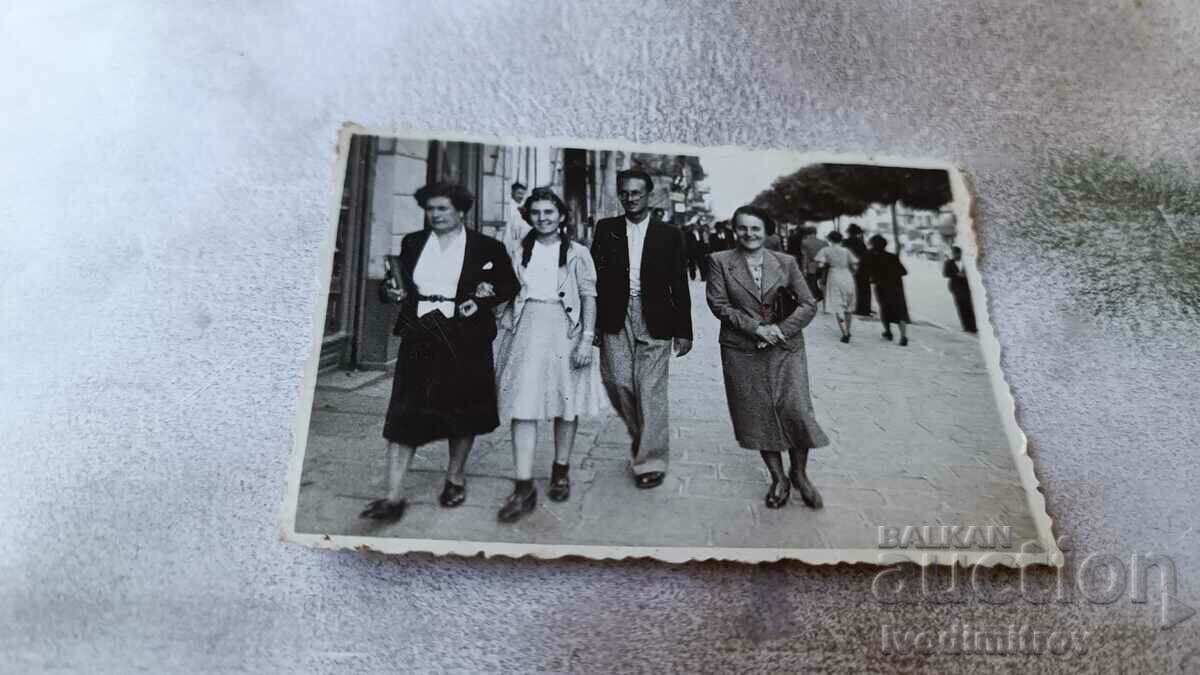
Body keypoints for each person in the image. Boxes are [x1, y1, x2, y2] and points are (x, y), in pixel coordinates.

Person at [361, 183, 519, 522]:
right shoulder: (413, 243)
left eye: (442, 209)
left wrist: (480, 300)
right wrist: (389, 292)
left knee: (462, 411)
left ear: (460, 211)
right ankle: (392, 497)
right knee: (404, 413)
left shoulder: (485, 246)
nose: (435, 215)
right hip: (420, 332)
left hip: (464, 335)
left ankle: (454, 478)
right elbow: (396, 284)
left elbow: (509, 284)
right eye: (430, 209)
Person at [706, 206, 828, 509]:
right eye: (743, 228)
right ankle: (778, 478)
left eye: (755, 228)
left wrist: (779, 331)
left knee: (796, 410)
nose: (749, 234)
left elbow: (808, 303)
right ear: (735, 230)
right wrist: (756, 329)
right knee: (757, 413)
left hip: (786, 348)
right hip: (742, 350)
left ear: (766, 231)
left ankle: (799, 474)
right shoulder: (720, 261)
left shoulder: (786, 263)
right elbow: (718, 304)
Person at [493, 188, 603, 522]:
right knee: (522, 405)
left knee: (564, 404)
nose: (543, 218)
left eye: (549, 212)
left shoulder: (578, 253)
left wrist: (586, 340)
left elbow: (589, 297)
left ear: (561, 216)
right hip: (525, 330)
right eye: (537, 213)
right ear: (529, 216)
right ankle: (523, 484)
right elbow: (504, 288)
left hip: (564, 331)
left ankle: (560, 468)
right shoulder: (516, 250)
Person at [592, 169, 693, 489]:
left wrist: (684, 329)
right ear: (619, 195)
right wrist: (591, 324)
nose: (630, 198)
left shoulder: (670, 234)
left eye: (637, 192)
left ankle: (650, 460)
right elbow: (593, 279)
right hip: (614, 316)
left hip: (656, 316)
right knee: (618, 382)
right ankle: (642, 438)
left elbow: (680, 283)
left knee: (649, 389)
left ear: (650, 196)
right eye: (625, 192)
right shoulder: (606, 229)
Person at [865, 234, 912, 346]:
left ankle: (888, 332)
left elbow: (868, 273)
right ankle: (903, 336)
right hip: (896, 287)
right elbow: (904, 272)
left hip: (881, 287)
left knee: (884, 309)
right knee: (901, 311)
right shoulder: (893, 256)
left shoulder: (872, 257)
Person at [814, 231, 859, 343]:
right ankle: (848, 329)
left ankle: (844, 333)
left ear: (830, 239)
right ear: (841, 240)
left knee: (837, 303)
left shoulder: (826, 250)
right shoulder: (846, 251)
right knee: (848, 304)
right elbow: (855, 265)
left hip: (834, 275)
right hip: (847, 275)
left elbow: (820, 264)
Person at [943, 246, 977, 333]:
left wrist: (967, 275)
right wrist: (956, 274)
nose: (954, 255)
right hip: (956, 287)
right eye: (953, 253)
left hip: (966, 286)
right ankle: (966, 326)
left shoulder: (967, 262)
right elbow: (945, 274)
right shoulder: (948, 263)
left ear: (960, 254)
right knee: (961, 306)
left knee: (969, 306)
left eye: (956, 253)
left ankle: (973, 326)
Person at [844, 223, 873, 317]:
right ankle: (865, 309)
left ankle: (858, 308)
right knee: (864, 289)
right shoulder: (861, 242)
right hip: (863, 267)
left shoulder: (846, 242)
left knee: (854, 289)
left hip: (852, 267)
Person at [499, 182, 530, 259]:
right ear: (512, 192)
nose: (521, 196)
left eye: (523, 194)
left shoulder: (523, 207)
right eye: (519, 193)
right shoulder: (507, 206)